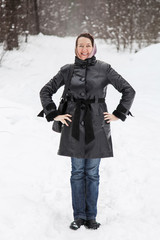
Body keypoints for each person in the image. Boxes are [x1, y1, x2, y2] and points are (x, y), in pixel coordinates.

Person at [38, 33, 136, 230]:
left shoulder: (104, 68)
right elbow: (45, 91)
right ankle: (78, 216)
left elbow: (128, 90)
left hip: (97, 127)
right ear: (75, 48)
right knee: (77, 172)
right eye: (80, 46)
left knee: (92, 173)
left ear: (93, 47)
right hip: (72, 126)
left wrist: (119, 113)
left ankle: (91, 217)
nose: (84, 49)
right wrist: (54, 114)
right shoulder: (67, 70)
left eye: (87, 46)